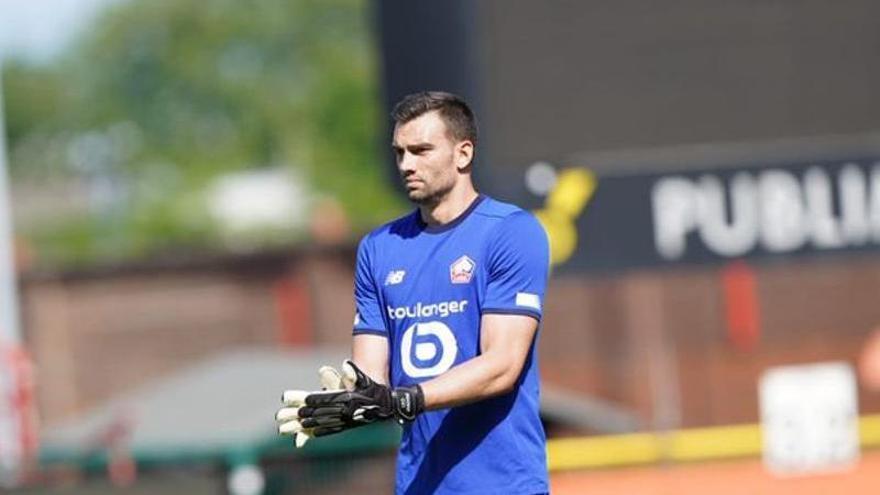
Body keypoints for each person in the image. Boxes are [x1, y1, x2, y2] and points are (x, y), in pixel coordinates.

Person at [277, 91, 550, 494]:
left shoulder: (511, 231)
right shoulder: (378, 247)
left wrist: (407, 399)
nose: (407, 164)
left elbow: (502, 367)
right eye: (400, 152)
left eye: (421, 150)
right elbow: (371, 374)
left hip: (504, 484)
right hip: (417, 484)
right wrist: (354, 400)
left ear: (463, 154)